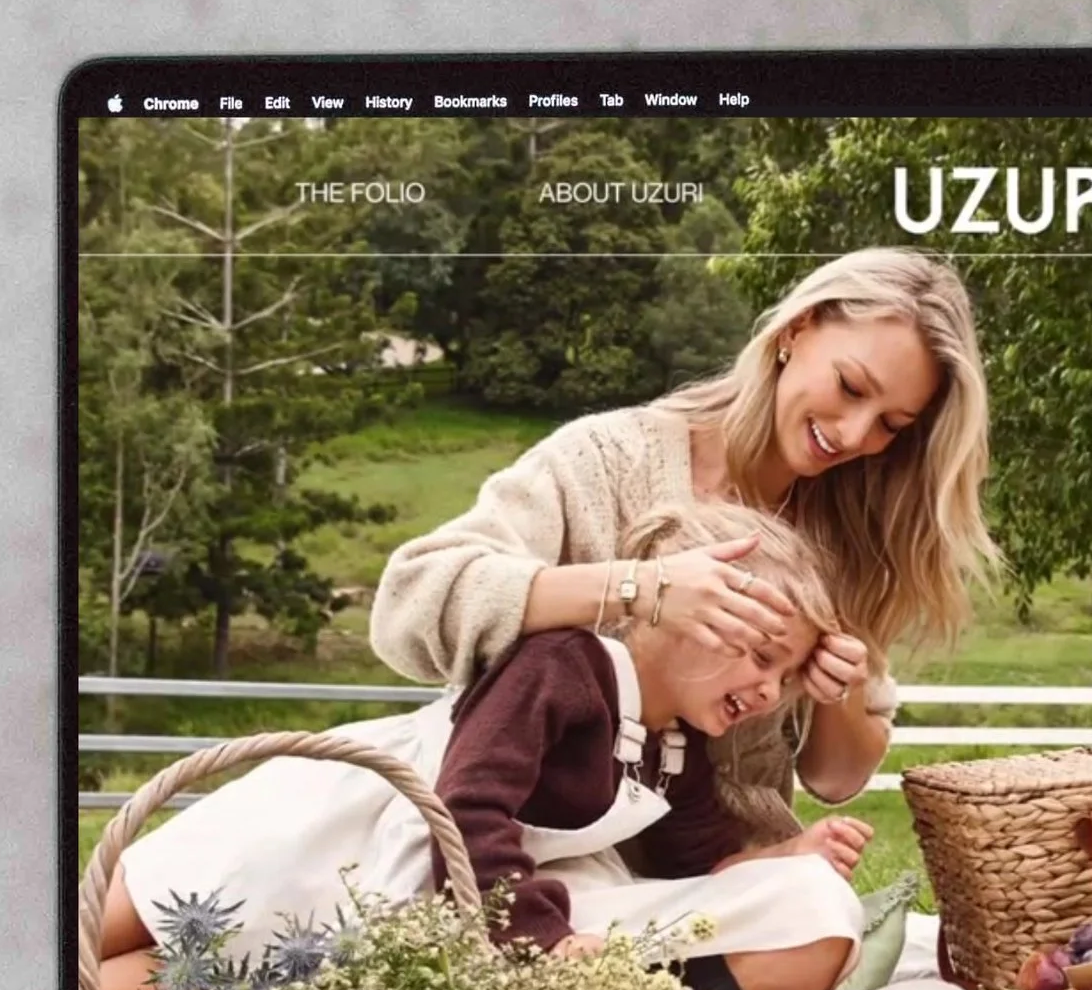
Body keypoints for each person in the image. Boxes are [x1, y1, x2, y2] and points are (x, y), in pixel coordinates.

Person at [91, 502, 872, 990]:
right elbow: (469, 805)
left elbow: (698, 863)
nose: (770, 691)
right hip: (327, 827)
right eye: (761, 656)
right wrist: (540, 943)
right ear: (684, 612)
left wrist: (781, 859)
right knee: (108, 929)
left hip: (387, 892)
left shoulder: (674, 751)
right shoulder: (567, 664)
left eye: (787, 677)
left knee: (183, 986)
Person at [368, 246, 996, 840]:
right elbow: (408, 607)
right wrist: (641, 590)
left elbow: (836, 779)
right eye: (851, 388)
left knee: (822, 915)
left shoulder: (850, 536)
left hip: (722, 874)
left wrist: (842, 689)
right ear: (797, 329)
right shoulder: (608, 459)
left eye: (892, 425)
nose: (855, 433)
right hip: (538, 851)